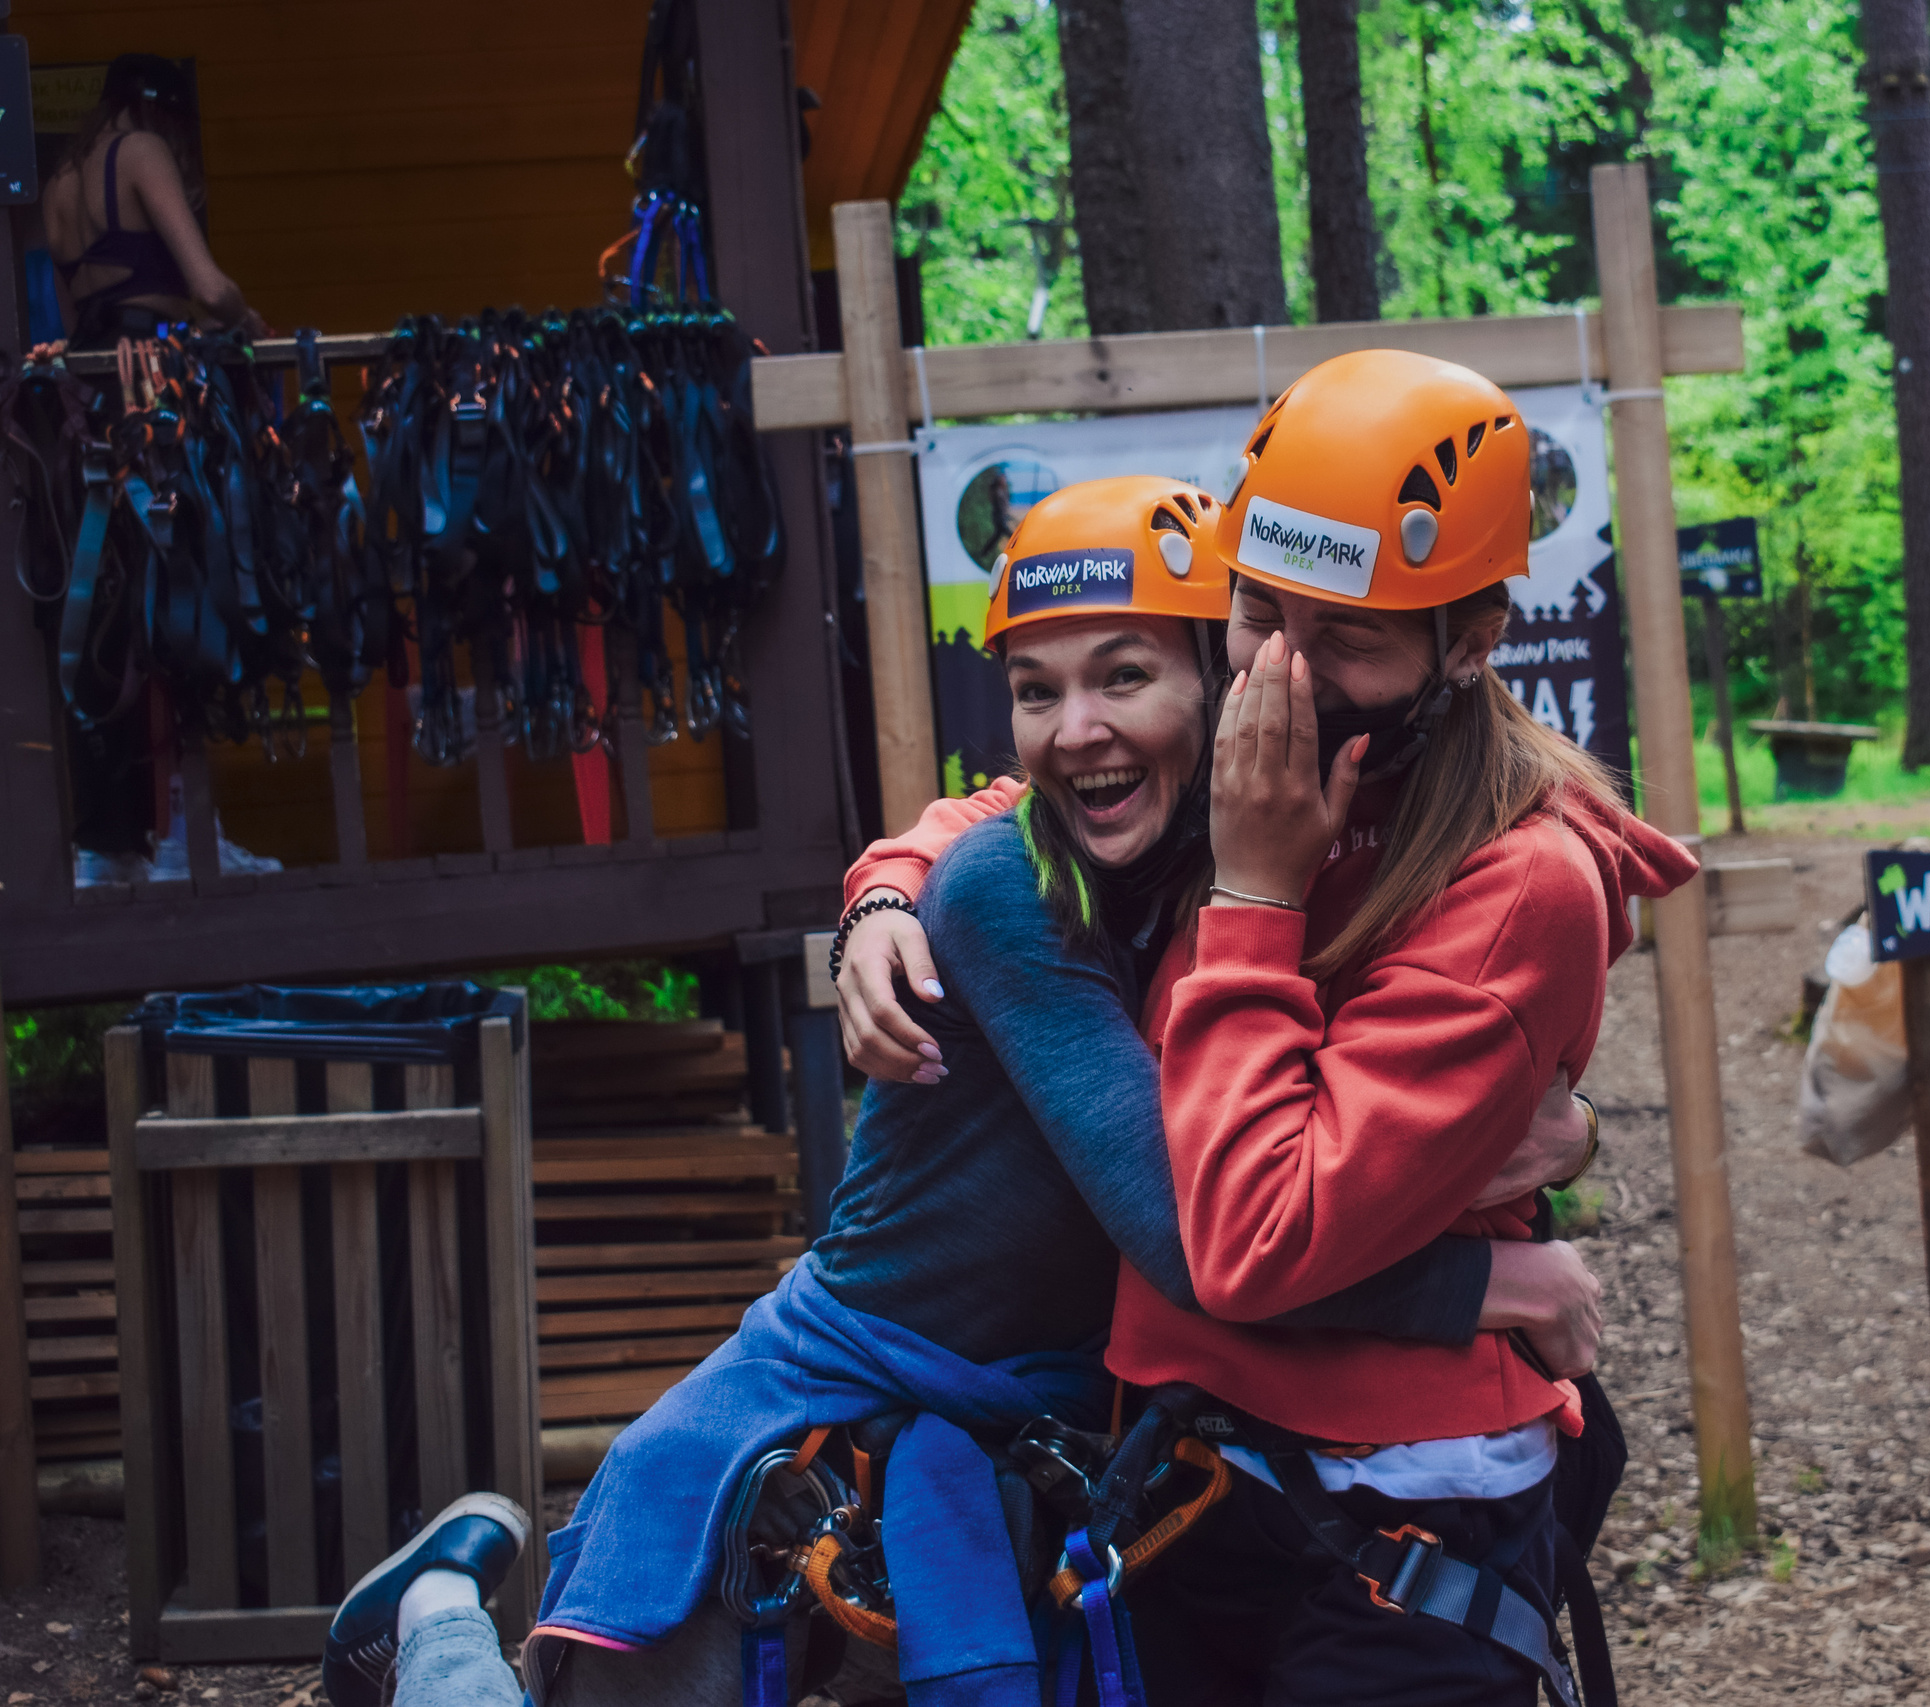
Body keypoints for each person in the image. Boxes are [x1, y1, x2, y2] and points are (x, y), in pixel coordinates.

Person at [319, 476, 1600, 1707]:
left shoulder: (1244, 848)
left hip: (1050, 1426)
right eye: (1033, 692)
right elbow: (1191, 1236)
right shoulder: (1009, 890)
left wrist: (1548, 1121)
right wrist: (1478, 1287)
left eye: (1123, 675)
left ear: (1228, 682)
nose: (1073, 730)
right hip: (837, 1408)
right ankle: (434, 1611)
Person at [834, 349, 1695, 1704]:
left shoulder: (1512, 883)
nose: (1282, 670)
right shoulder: (1274, 757)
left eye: (1345, 636)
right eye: (1255, 612)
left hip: (1403, 1517)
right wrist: (890, 886)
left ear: (1469, 640)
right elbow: (1040, 795)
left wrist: (1250, 892)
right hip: (1187, 1478)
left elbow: (1244, 1236)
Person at [41, 54, 266, 349]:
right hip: (148, 369)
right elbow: (211, 291)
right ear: (157, 110)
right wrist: (245, 319)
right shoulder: (141, 150)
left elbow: (73, 320)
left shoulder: (55, 185)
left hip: (89, 367)